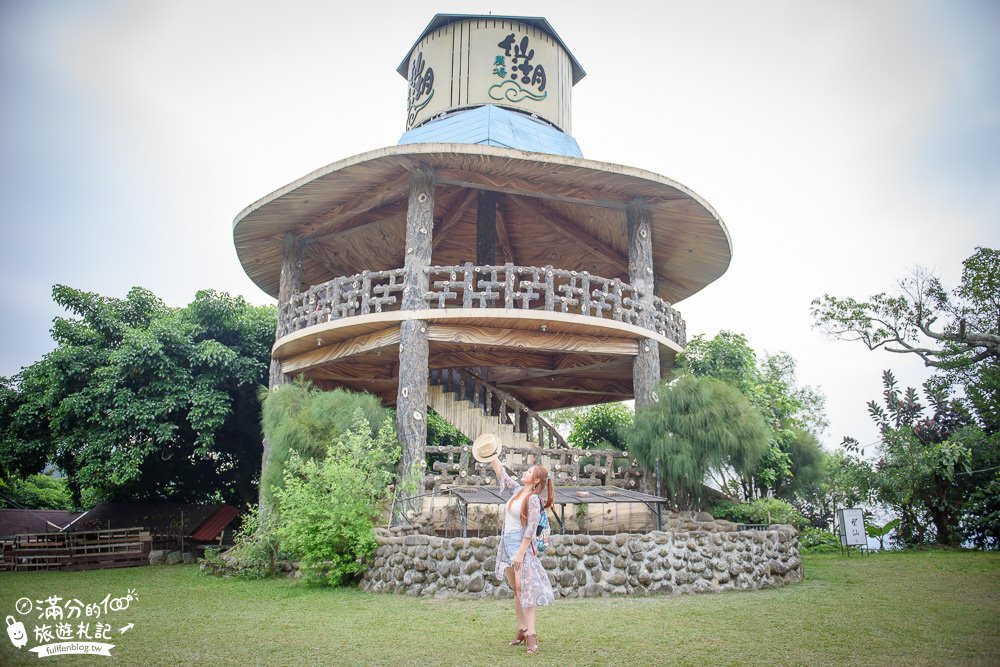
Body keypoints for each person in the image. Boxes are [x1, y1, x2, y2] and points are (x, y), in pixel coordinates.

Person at [488, 453, 555, 654]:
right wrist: (491, 455)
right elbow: (503, 475)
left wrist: (520, 553)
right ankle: (522, 628)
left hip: (520, 544)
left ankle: (532, 636)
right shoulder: (517, 491)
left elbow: (531, 528)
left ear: (535, 481)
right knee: (516, 589)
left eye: (529, 472)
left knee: (524, 588)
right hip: (507, 542)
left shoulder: (533, 499)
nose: (524, 472)